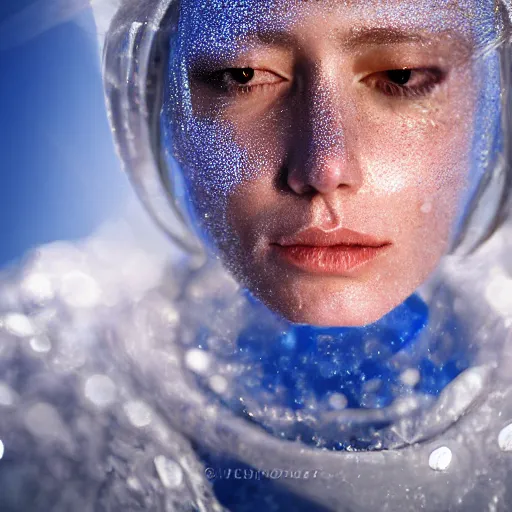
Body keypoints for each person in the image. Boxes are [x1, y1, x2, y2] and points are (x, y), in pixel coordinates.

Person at [0, 0, 510, 510]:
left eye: (399, 75)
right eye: (242, 75)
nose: (323, 167)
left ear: (490, 92)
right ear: (162, 97)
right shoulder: (37, 388)